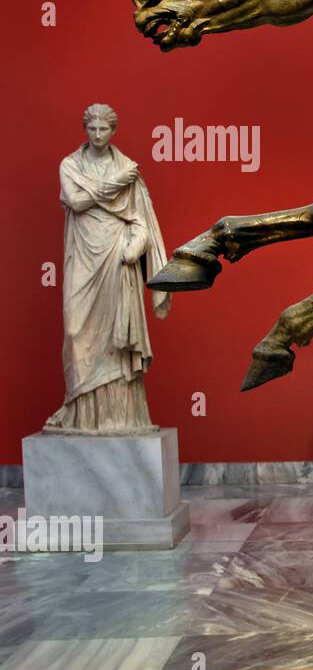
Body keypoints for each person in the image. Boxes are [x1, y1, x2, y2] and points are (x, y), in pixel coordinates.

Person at [44, 104, 171, 434]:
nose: (98, 135)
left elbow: (141, 221)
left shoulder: (128, 168)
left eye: (104, 129)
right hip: (83, 258)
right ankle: (80, 411)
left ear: (114, 131)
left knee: (116, 342)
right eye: (92, 129)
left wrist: (135, 246)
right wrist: (114, 184)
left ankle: (120, 418)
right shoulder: (72, 165)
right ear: (85, 129)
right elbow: (75, 201)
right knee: (75, 332)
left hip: (117, 257)